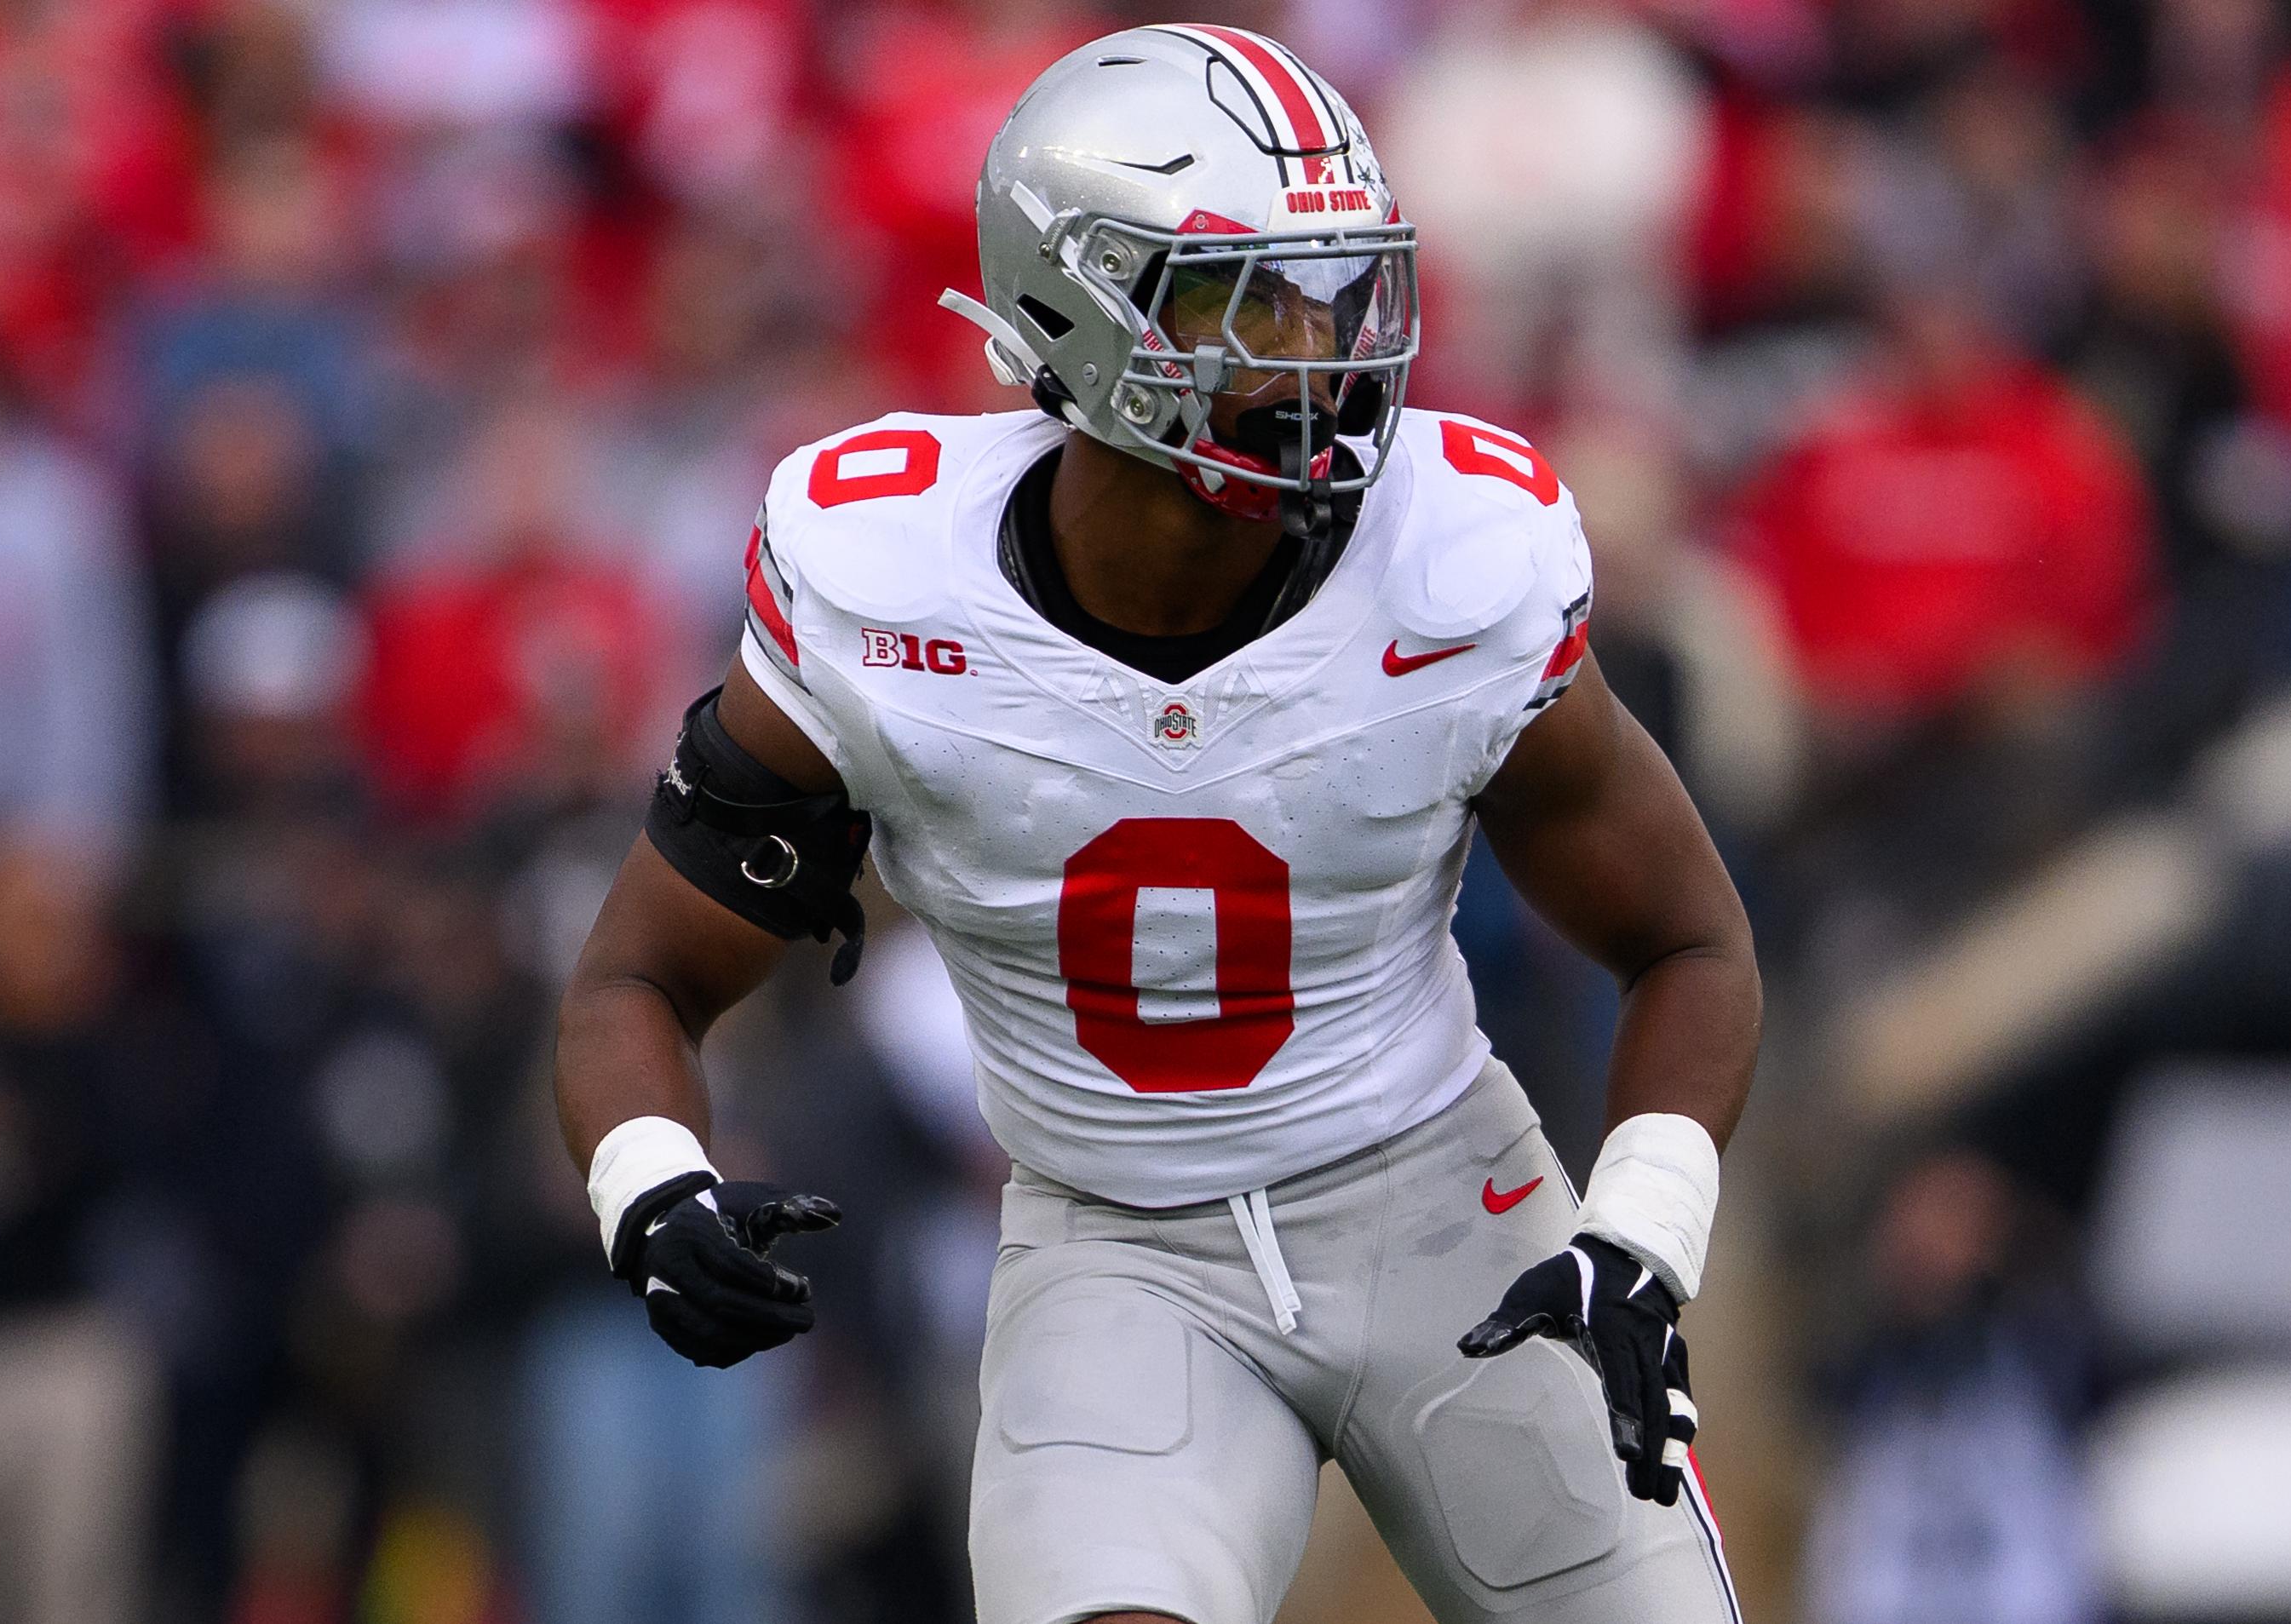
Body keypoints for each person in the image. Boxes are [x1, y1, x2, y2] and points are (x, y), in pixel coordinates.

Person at [553, 27, 1761, 1624]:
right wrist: (652, 1184)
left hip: (1451, 1219)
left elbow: (1690, 940)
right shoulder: (887, 590)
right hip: (1119, 1254)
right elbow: (634, 981)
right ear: (1077, 304)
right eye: (1249, 296)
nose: (1319, 348)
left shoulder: (1458, 556)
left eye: (1332, 291)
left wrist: (1639, 1231)